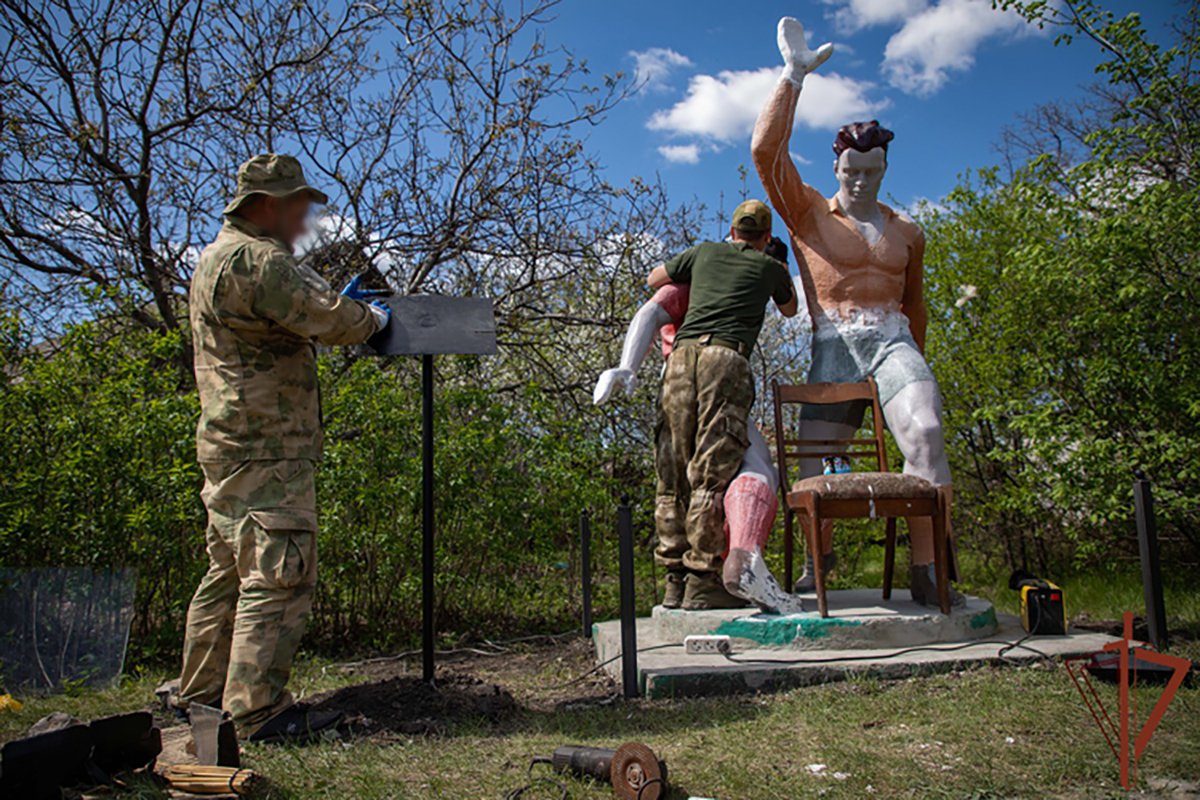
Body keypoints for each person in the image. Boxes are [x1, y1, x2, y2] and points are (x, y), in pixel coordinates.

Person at [179, 154, 391, 743]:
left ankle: (196, 700)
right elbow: (325, 317)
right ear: (267, 204)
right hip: (268, 445)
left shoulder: (215, 257)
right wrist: (370, 317)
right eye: (298, 207)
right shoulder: (257, 258)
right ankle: (258, 712)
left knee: (228, 572)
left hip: (230, 442)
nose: (303, 222)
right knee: (278, 575)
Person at [751, 18, 962, 605]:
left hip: (894, 343)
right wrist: (792, 77)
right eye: (851, 173)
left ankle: (933, 574)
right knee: (815, 468)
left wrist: (917, 363)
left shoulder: (908, 232)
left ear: (885, 169)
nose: (861, 182)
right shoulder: (810, 215)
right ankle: (816, 572)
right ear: (837, 168)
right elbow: (766, 154)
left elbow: (915, 304)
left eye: (871, 173)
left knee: (926, 433)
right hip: (834, 345)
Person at [594, 236, 804, 614]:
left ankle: (684, 578)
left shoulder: (714, 271)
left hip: (682, 383)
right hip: (704, 383)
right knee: (731, 472)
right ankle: (710, 574)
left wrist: (629, 367)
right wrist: (627, 366)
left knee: (680, 478)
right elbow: (651, 309)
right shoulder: (702, 276)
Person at [644, 201, 798, 610]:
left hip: (680, 359)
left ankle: (673, 582)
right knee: (711, 472)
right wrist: (777, 266)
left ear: (732, 231)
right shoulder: (769, 268)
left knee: (673, 467)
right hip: (725, 360)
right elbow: (791, 307)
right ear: (766, 238)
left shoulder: (704, 252)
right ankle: (702, 580)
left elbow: (653, 277)